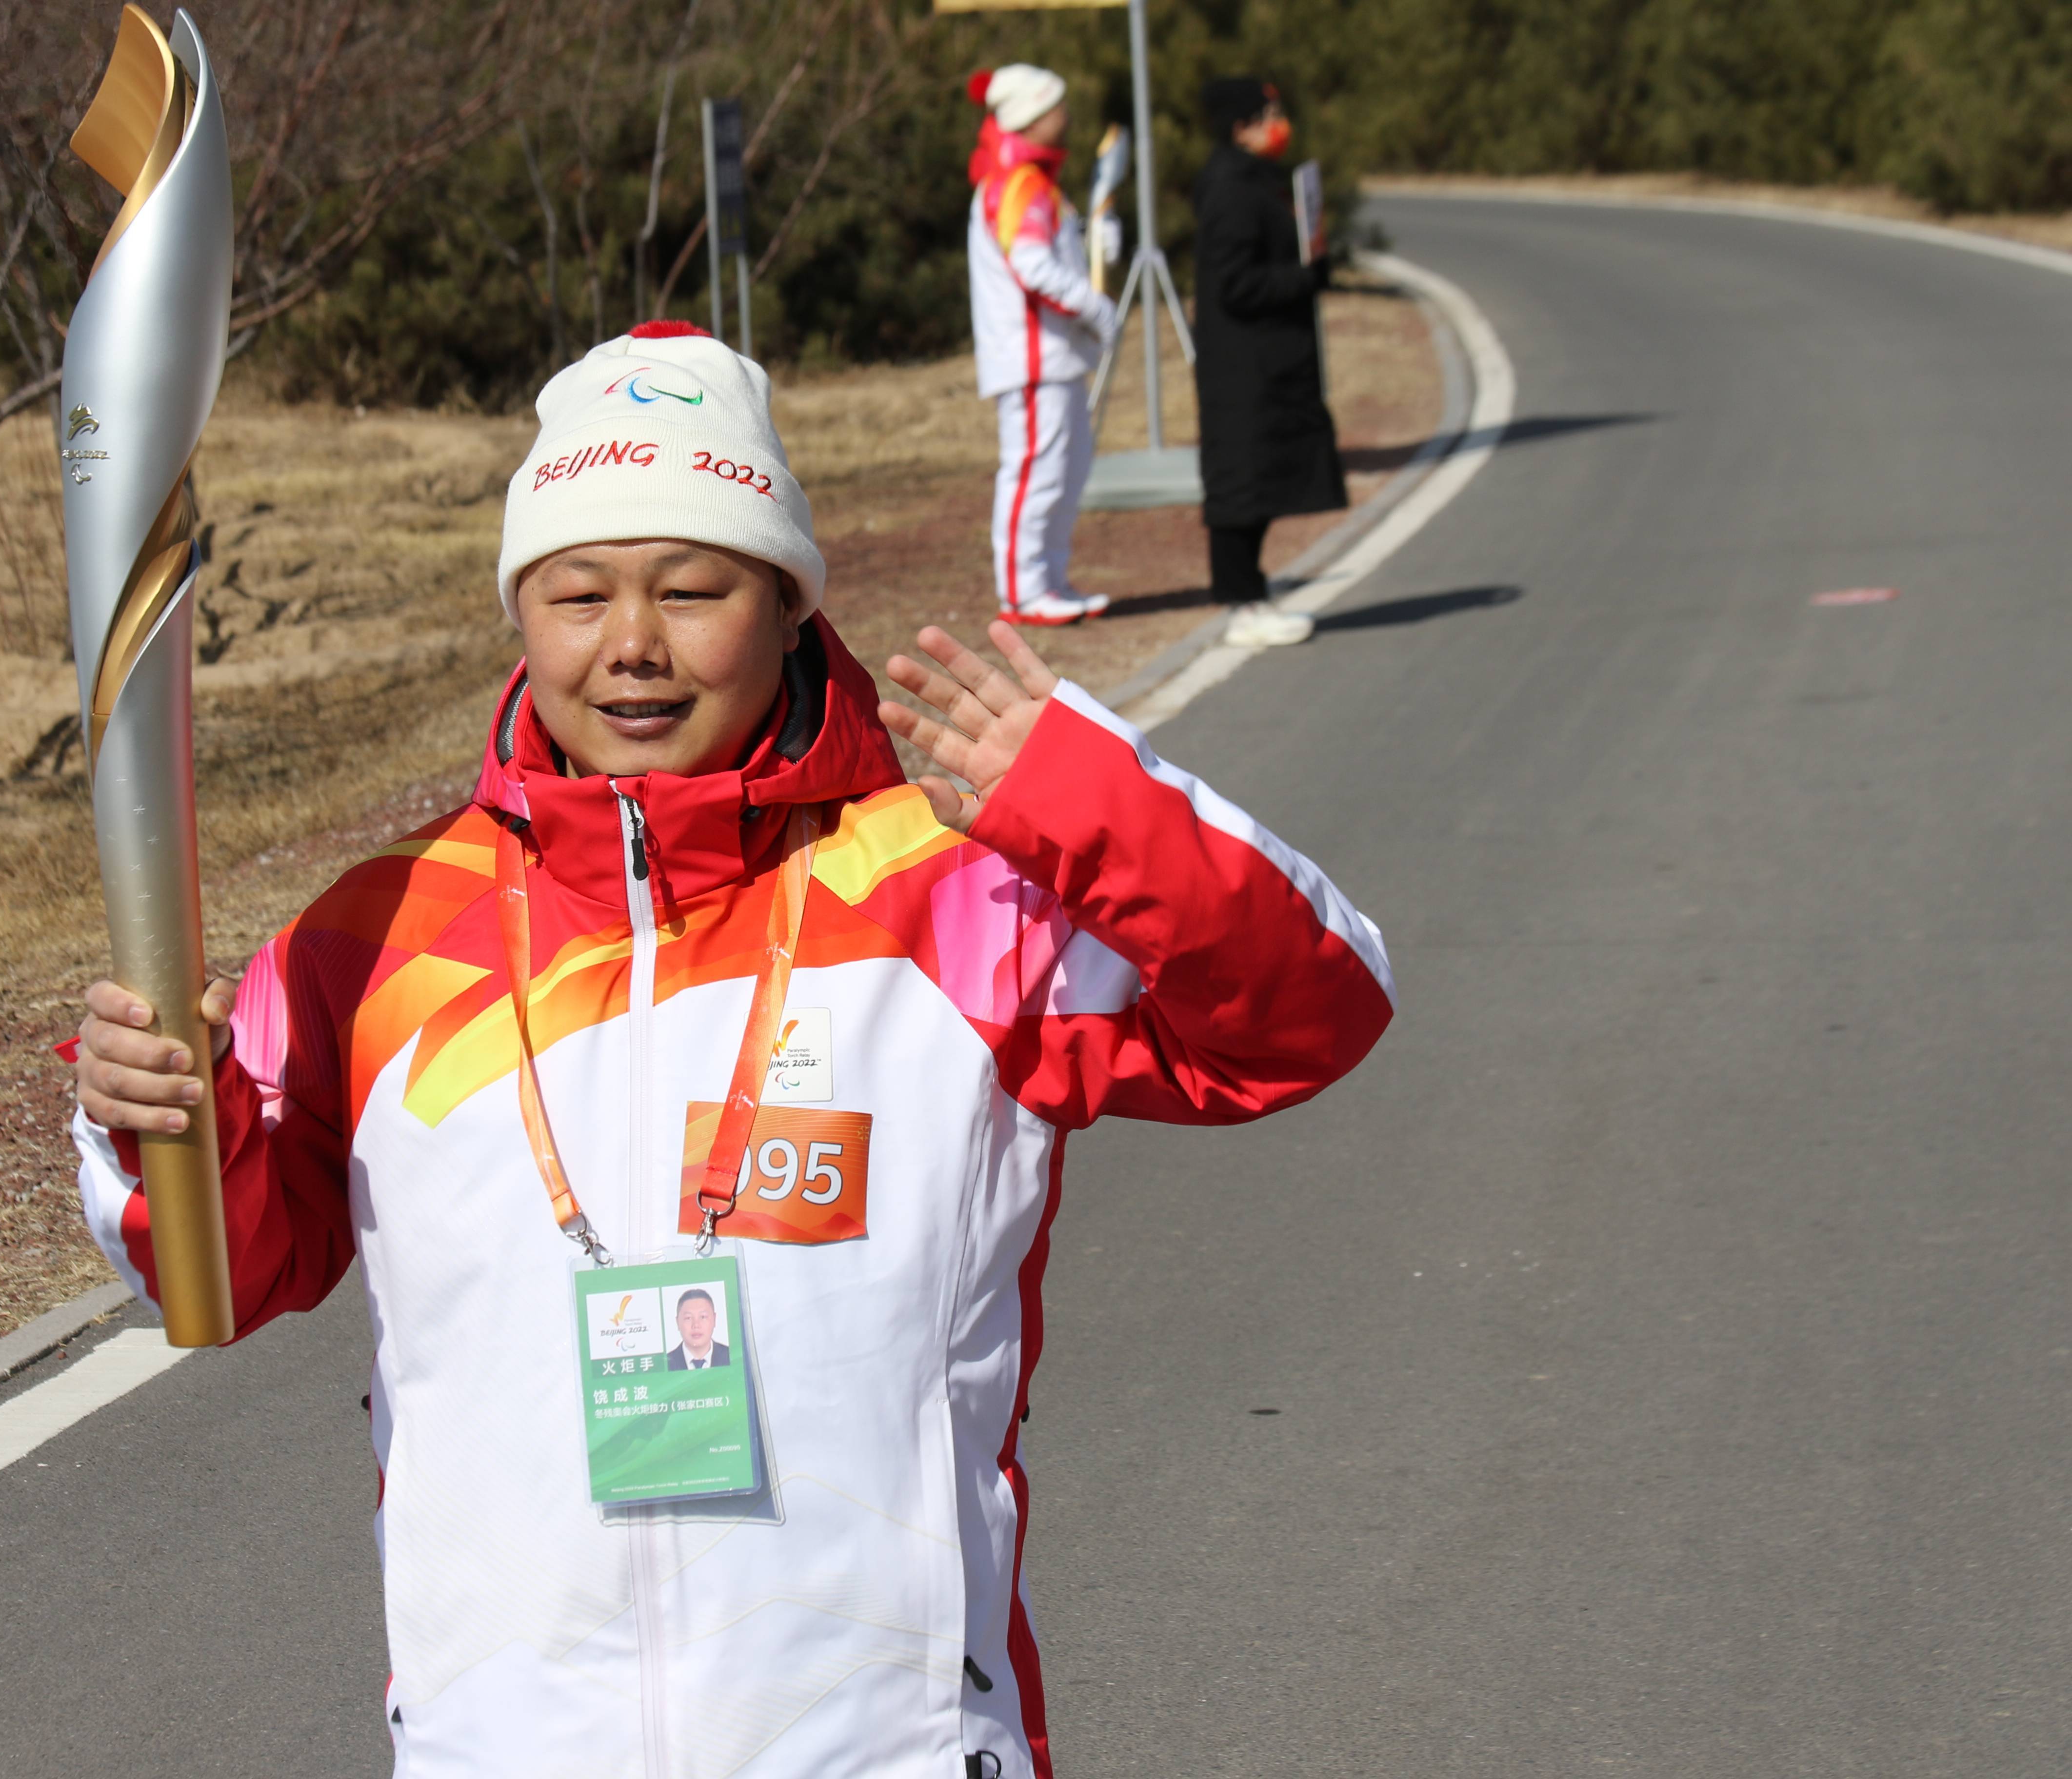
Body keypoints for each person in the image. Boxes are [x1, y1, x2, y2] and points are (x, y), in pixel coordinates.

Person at [68, 319, 1394, 1777]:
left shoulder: (945, 900)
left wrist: (1095, 803)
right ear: (523, 613)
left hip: (879, 1742)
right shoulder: (378, 940)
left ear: (783, 605)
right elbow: (224, 1275)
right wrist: (159, 1128)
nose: (632, 643)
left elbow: (1305, 1014)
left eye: (694, 588)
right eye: (578, 593)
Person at [1191, 78, 1345, 650]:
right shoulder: (1232, 188)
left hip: (1265, 359)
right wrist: (1302, 278)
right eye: (1268, 114)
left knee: (1259, 482)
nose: (1279, 123)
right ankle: (1241, 605)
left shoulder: (1254, 180)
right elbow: (1235, 283)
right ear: (1241, 126)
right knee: (1241, 486)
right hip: (1244, 364)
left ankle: (1253, 594)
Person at [966, 64, 1121, 627]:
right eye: (1057, 107)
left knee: (1067, 469)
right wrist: (1095, 307)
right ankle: (1023, 591)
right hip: (1033, 359)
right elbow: (1032, 267)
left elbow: (1049, 257)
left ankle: (1049, 580)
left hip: (1053, 358)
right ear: (1032, 116)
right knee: (1038, 471)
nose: (1067, 116)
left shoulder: (1032, 181)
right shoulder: (1017, 182)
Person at [665, 1288, 728, 1371]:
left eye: (703, 1317)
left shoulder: (731, 1356)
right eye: (688, 1318)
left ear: (714, 1319)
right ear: (678, 1322)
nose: (696, 1325)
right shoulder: (666, 1364)